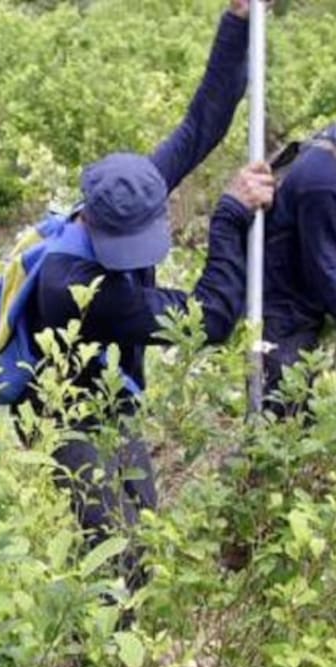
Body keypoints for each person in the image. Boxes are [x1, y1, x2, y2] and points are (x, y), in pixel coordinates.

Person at [25, 0, 275, 581]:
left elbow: (201, 125)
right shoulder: (77, 289)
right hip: (71, 418)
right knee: (117, 553)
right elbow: (208, 321)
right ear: (92, 222)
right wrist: (228, 217)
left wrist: (236, 22)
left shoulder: (128, 191)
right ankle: (103, 634)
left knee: (143, 533)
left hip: (117, 403)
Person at [262, 123, 336, 413]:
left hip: (299, 295)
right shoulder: (321, 182)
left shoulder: (325, 151)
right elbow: (326, 271)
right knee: (283, 407)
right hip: (286, 309)